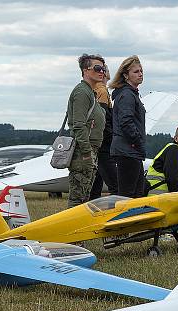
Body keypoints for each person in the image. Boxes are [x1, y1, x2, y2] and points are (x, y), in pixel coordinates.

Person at [66, 53, 106, 207]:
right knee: (78, 198)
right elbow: (78, 125)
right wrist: (86, 153)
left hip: (90, 150)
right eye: (97, 68)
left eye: (103, 68)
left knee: (84, 196)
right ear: (85, 70)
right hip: (83, 152)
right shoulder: (82, 92)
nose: (101, 71)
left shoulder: (90, 92)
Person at [109, 55, 146, 198]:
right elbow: (126, 122)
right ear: (126, 75)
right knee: (128, 196)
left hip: (130, 151)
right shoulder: (127, 95)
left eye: (141, 71)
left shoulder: (130, 94)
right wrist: (138, 143)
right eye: (136, 72)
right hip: (127, 151)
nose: (140, 74)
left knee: (136, 194)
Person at [89, 59, 116, 199]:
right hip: (104, 143)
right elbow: (103, 120)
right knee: (115, 184)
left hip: (95, 142)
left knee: (96, 182)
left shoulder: (93, 89)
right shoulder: (102, 90)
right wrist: (111, 137)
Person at [147, 123, 178, 193]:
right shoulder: (174, 149)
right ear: (176, 138)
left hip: (163, 200)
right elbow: (173, 181)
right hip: (160, 201)